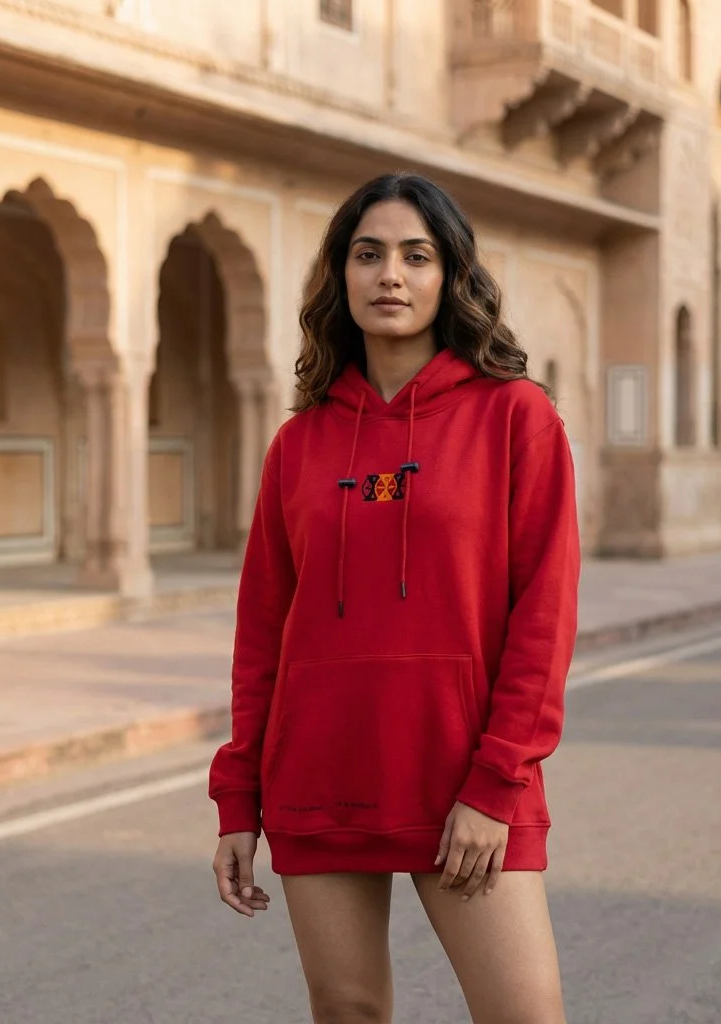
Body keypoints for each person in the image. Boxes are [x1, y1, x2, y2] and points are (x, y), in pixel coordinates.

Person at [209, 171, 580, 1024]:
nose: (391, 276)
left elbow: (544, 617)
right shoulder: (299, 443)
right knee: (348, 1012)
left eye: (417, 256)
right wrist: (238, 798)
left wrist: (496, 785)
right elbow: (262, 634)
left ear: (451, 275)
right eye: (368, 254)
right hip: (319, 773)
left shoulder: (516, 417)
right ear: (340, 275)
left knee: (524, 1015)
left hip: (464, 777)